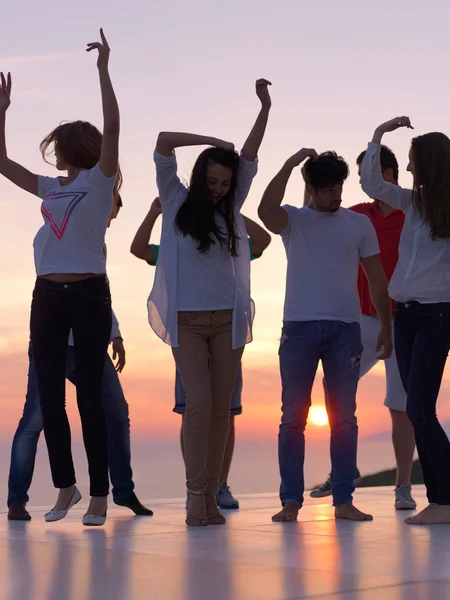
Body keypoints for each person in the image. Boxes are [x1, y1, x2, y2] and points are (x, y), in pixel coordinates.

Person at [0, 30, 120, 526]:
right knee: (51, 394)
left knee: (89, 394)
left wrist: (103, 70)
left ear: (72, 147)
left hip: (89, 293)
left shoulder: (101, 179)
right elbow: (2, 163)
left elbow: (114, 125)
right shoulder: (50, 186)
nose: (52, 150)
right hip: (46, 294)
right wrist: (2, 111)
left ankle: (98, 496)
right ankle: (66, 488)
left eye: (57, 144)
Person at [149, 79, 271, 526]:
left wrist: (264, 107)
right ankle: (195, 495)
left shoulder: (231, 206)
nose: (219, 189)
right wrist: (212, 140)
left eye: (225, 182)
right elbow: (163, 143)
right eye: (213, 181)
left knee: (222, 409)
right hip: (188, 321)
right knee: (198, 405)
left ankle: (212, 495)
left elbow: (252, 159)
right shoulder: (175, 198)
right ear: (200, 176)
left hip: (228, 322)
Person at [258, 148, 393, 523]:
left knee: (344, 417)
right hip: (298, 329)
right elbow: (264, 210)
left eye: (339, 187)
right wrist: (287, 163)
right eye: (328, 188)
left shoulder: (357, 224)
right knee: (292, 418)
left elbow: (378, 280)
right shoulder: (294, 220)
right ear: (312, 188)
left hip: (344, 330)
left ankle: (344, 500)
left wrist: (387, 327)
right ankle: (290, 501)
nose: (336, 194)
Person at [7, 197, 153, 521]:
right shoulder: (49, 236)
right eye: (110, 211)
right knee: (34, 422)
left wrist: (114, 332)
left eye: (113, 213)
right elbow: (63, 291)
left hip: (89, 342)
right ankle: (17, 500)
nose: (110, 218)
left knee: (116, 412)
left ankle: (123, 492)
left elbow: (95, 290)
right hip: (55, 345)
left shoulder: (92, 240)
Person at [131, 197, 272, 510]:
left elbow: (263, 240)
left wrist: (232, 213)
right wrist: (154, 213)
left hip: (227, 333)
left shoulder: (229, 247)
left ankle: (218, 484)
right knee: (194, 409)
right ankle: (194, 485)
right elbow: (139, 249)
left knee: (224, 411)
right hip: (190, 335)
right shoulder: (179, 250)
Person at [310, 146, 417, 511]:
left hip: (408, 323)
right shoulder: (356, 216)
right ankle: (346, 470)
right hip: (366, 323)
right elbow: (312, 216)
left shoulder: (413, 214)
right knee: (337, 387)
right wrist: (308, 171)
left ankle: (403, 486)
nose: (358, 182)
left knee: (401, 407)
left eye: (363, 174)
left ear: (386, 175)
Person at [361, 117, 450, 525]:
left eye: (414, 162)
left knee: (419, 410)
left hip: (436, 315)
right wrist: (379, 134)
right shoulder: (413, 203)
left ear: (429, 163)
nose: (410, 169)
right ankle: (440, 502)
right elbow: (372, 185)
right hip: (406, 316)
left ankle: (446, 500)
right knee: (419, 412)